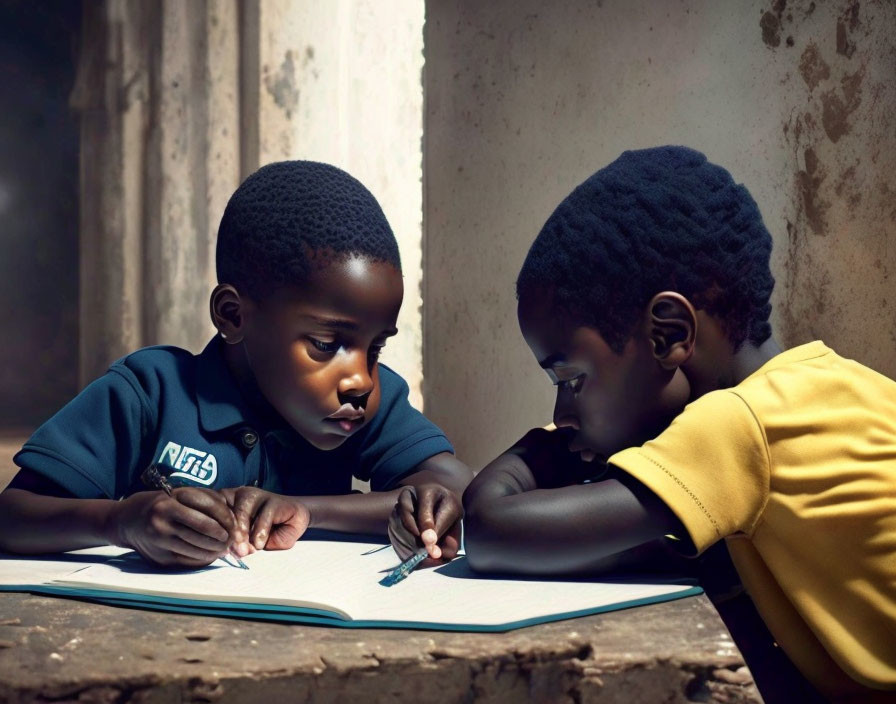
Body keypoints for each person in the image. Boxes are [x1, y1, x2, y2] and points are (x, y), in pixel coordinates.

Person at [460, 146, 896, 702]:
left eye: (569, 381)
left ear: (667, 334)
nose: (562, 415)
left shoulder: (738, 425)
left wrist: (538, 450)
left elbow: (492, 528)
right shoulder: (832, 384)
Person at [0, 161, 471, 569]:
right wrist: (121, 521)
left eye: (376, 349)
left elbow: (453, 487)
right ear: (233, 315)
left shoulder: (363, 400)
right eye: (327, 344)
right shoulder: (150, 392)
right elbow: (13, 515)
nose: (360, 379)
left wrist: (304, 510)